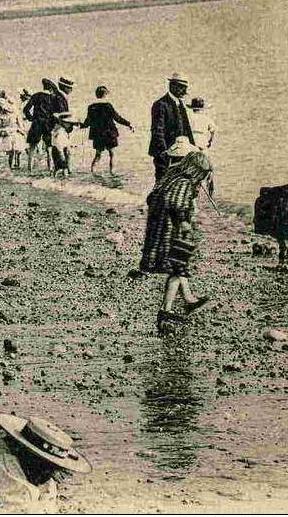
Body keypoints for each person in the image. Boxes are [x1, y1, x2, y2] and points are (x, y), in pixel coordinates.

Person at [138, 137, 213, 335]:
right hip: (172, 232)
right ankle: (166, 310)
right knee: (177, 268)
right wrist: (186, 222)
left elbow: (153, 198)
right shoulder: (184, 183)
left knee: (180, 267)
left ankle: (188, 300)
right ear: (196, 171)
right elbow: (177, 204)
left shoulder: (170, 176)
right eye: (202, 176)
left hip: (159, 229)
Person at [149, 75, 195, 180]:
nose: (184, 91)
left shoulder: (180, 103)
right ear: (172, 86)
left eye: (185, 88)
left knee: (179, 181)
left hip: (181, 151)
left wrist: (193, 149)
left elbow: (186, 129)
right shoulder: (160, 104)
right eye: (182, 88)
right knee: (162, 180)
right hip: (164, 152)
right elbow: (157, 130)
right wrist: (164, 152)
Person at [81, 86, 134, 175]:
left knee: (98, 155)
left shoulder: (91, 107)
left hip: (98, 135)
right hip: (109, 133)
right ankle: (111, 172)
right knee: (112, 154)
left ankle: (92, 171)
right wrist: (128, 124)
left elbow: (88, 121)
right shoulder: (108, 106)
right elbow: (117, 118)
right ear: (105, 94)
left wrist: (81, 126)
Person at [23, 79, 59, 172]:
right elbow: (55, 113)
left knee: (32, 147)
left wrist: (31, 118)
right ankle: (50, 169)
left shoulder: (36, 96)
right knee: (49, 148)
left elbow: (26, 109)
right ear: (51, 88)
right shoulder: (53, 98)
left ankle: (29, 169)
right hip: (48, 124)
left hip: (37, 123)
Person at [0, 101, 27, 170]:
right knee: (12, 151)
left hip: (15, 133)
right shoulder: (2, 115)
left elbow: (20, 125)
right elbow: (0, 127)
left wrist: (21, 131)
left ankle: (15, 165)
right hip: (10, 134)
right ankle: (12, 166)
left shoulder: (15, 114)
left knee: (16, 151)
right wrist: (3, 131)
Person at [49, 113, 80, 178]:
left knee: (59, 168)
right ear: (63, 123)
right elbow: (58, 145)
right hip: (58, 151)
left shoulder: (61, 129)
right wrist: (62, 155)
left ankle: (55, 178)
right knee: (63, 168)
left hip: (61, 149)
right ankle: (63, 179)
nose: (71, 125)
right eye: (70, 123)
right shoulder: (59, 131)